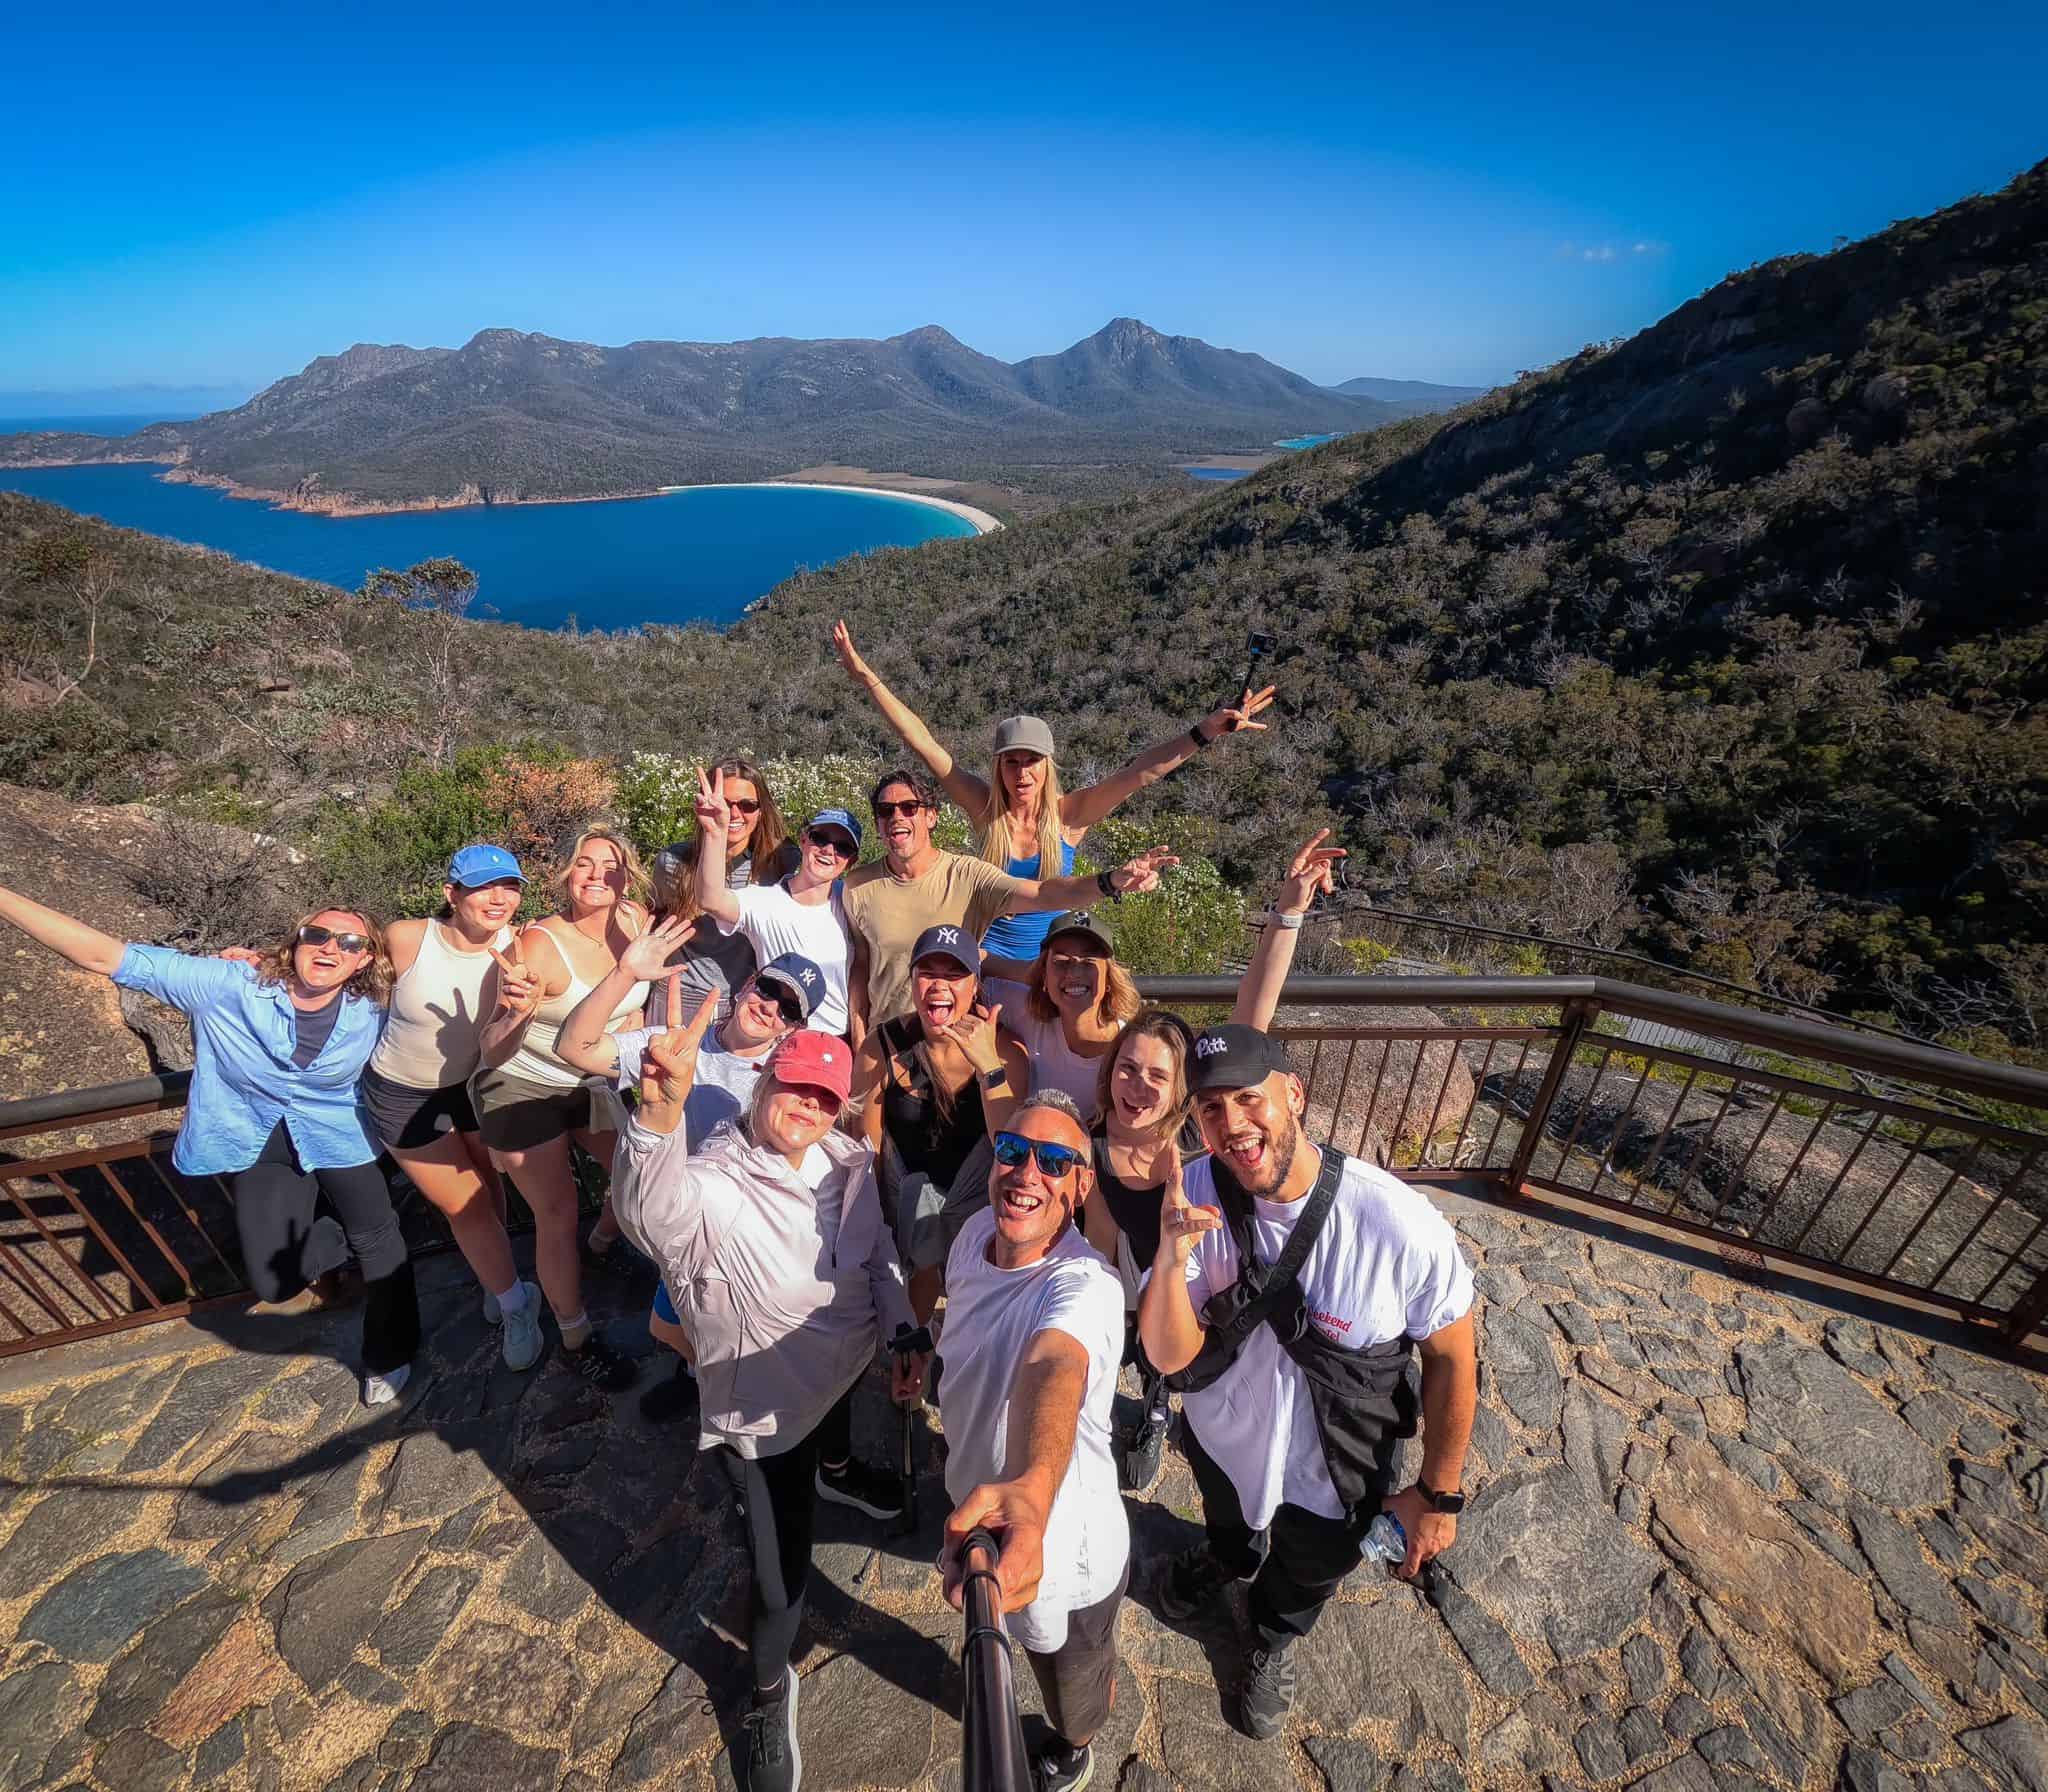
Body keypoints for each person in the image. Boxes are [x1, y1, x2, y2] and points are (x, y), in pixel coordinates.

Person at [1138, 1023, 1479, 1743]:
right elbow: (1169, 1359)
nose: (1231, 1125)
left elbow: (1452, 1356)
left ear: (1293, 1093)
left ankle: (1268, 1630)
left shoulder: (1396, 1223)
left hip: (1338, 1466)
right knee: (1227, 1519)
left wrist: (1438, 1495)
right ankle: (1228, 1556)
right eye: (1209, 1109)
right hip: (1224, 1436)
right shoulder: (1192, 1194)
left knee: (1309, 1568)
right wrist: (1170, 1259)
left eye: (1247, 1098)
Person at [610, 1019, 923, 1792]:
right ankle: (768, 1692)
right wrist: (655, 1120)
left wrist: (904, 1329)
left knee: (834, 1442)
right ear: (762, 1082)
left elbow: (878, 1251)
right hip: (768, 1420)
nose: (806, 1105)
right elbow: (650, 1213)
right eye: (794, 1085)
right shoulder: (712, 1182)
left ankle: (838, 1469)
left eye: (825, 1095)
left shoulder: (847, 1159)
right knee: (783, 1582)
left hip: (846, 1363)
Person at [0, 883, 420, 1405]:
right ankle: (345, 1239)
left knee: (379, 1241)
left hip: (341, 1136)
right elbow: (101, 953)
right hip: (257, 1139)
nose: (331, 948)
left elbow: (450, 969)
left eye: (350, 943)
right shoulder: (227, 984)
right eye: (318, 935)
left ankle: (390, 1351)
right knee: (273, 1283)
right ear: (295, 943)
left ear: (365, 961)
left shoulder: (376, 1005)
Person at [1084, 830, 1345, 1488]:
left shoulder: (1201, 1143)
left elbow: (1254, 1013)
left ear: (1182, 1093)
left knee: (1173, 1371)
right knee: (1140, 1353)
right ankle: (1140, 1401)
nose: (1136, 1087)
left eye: (1157, 1077)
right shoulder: (1092, 1142)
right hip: (1133, 1286)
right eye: (1127, 1069)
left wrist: (1288, 912)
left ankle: (1154, 1414)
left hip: (1207, 1285)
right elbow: (1097, 1237)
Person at [833, 617, 1275, 978]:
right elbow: (924, 743)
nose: (1021, 772)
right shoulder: (985, 810)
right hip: (983, 966)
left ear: (1047, 765)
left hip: (1045, 972)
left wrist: (1205, 732)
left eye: (1031, 761)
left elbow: (1141, 773)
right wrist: (866, 677)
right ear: (998, 767)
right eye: (1011, 762)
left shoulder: (1070, 817)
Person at [935, 1091, 1129, 1792]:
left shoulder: (1086, 1285)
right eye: (1014, 1153)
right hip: (990, 1511)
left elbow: (1056, 1363)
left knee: (1068, 1685)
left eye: (1055, 1163)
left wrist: (1031, 1494)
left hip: (1064, 1552)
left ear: (1080, 1187)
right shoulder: (973, 1235)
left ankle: (1076, 1750)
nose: (1027, 1174)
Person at [556, 917, 820, 1422]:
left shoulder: (780, 1082)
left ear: (794, 1028)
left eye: (788, 1009)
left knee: (676, 1324)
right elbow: (574, 1048)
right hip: (669, 1209)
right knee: (676, 1325)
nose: (770, 1008)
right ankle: (705, 1377)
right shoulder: (676, 1041)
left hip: (725, 1228)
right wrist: (625, 974)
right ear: (747, 984)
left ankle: (726, 1389)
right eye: (768, 990)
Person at [474, 823, 649, 1391]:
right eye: (584, 864)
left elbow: (633, 1011)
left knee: (637, 1176)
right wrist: (515, 1015)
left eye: (610, 865)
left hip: (594, 1084)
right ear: (566, 874)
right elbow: (492, 1049)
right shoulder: (535, 946)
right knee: (557, 1211)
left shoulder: (636, 924)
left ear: (629, 876)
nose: (597, 875)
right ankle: (574, 1335)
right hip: (523, 1087)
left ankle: (601, 1247)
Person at [359, 843, 542, 1371]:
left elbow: (497, 1048)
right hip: (399, 1091)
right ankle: (515, 1304)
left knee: (489, 1186)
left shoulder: (519, 950)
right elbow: (347, 975)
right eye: (483, 886)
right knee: (464, 1203)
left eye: (510, 886)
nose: (498, 897)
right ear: (451, 893)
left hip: (474, 1085)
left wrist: (520, 1013)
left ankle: (498, 1278)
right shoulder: (408, 938)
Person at [841, 765, 1177, 1035]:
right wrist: (859, 1039)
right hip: (884, 1042)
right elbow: (861, 969)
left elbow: (1045, 893)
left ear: (931, 816)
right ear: (878, 824)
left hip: (956, 1044)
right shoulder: (857, 886)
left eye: (909, 807)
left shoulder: (968, 876)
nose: (897, 816)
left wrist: (1109, 881)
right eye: (886, 811)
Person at [852, 923, 1031, 1322]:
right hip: (909, 1189)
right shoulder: (883, 1046)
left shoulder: (1006, 1051)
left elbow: (1009, 1143)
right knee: (918, 1206)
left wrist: (988, 1068)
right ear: (913, 982)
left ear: (974, 987)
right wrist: (872, 1226)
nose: (939, 985)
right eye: (928, 973)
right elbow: (867, 1148)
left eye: (954, 975)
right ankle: (916, 1346)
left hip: (977, 1186)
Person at [691, 768, 858, 1037]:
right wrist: (715, 834)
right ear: (804, 840)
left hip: (838, 1040)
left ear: (851, 861)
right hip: (781, 1037)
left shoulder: (852, 901)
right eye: (820, 838)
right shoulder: (765, 902)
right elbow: (710, 899)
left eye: (843, 847)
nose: (829, 850)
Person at [645, 756, 801, 1029]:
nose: (734, 815)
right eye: (725, 804)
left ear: (761, 811)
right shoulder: (674, 862)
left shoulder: (779, 864)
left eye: (747, 805)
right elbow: (651, 926)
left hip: (742, 1005)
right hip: (675, 999)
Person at [1007, 911, 1142, 1125]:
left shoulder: (1130, 1049)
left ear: (1109, 978)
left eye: (1089, 962)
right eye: (1061, 961)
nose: (1074, 973)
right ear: (1044, 973)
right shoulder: (1024, 1013)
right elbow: (975, 961)